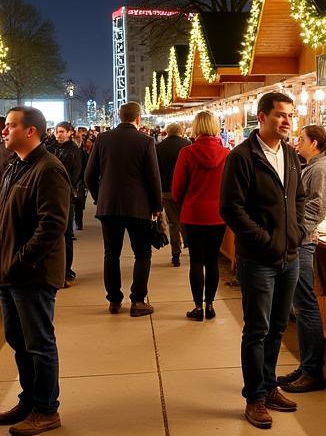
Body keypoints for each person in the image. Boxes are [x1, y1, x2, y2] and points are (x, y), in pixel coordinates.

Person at [220, 92, 305, 429]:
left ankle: (269, 386)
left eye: (290, 116)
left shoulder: (291, 155)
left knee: (279, 327)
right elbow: (230, 208)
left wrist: (295, 232)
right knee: (257, 329)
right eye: (280, 115)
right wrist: (264, 238)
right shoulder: (243, 157)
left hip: (290, 257)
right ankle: (254, 397)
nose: (286, 121)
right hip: (258, 260)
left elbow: (297, 197)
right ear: (262, 117)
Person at [0, 107, 72, 436]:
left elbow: (52, 225)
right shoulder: (16, 166)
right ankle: (30, 399)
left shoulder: (48, 169)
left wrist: (21, 259)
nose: (4, 132)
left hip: (32, 273)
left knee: (39, 342)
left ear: (31, 131)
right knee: (17, 339)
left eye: (11, 126)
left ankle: (46, 409)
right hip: (9, 269)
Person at [84, 102, 162, 317]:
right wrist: (156, 206)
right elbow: (153, 177)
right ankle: (137, 300)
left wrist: (101, 197)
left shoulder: (103, 139)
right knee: (142, 253)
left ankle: (114, 301)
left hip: (109, 207)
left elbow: (89, 175)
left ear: (119, 117)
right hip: (138, 206)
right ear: (138, 118)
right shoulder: (146, 141)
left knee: (111, 254)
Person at [278, 124, 326, 393]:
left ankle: (313, 370)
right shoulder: (312, 166)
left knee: (306, 306)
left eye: (301, 139)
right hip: (298, 240)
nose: (297, 143)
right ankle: (306, 366)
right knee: (301, 306)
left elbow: (316, 207)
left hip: (302, 244)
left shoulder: (322, 169)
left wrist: (294, 231)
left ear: (314, 143)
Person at [170, 110, 227, 321]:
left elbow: (177, 189)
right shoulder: (227, 154)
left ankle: (197, 307)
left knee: (196, 261)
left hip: (193, 214)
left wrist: (185, 199)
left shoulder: (187, 153)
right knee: (212, 260)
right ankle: (210, 305)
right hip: (218, 215)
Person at [45, 121, 83, 283]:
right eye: (57, 131)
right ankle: (59, 269)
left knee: (66, 234)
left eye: (61, 132)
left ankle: (66, 269)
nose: (58, 134)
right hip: (53, 196)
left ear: (69, 133)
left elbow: (75, 175)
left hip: (66, 196)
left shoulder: (74, 151)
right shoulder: (53, 148)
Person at [156, 122, 191, 267]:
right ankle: (189, 246)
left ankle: (175, 253)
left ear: (167, 132)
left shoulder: (158, 147)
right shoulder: (187, 145)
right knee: (186, 219)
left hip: (165, 190)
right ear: (181, 131)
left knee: (172, 222)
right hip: (185, 190)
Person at [73, 127, 89, 230]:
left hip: (79, 181)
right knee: (77, 203)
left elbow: (85, 165)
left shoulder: (82, 152)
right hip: (77, 180)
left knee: (79, 203)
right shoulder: (78, 151)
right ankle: (77, 223)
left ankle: (78, 222)